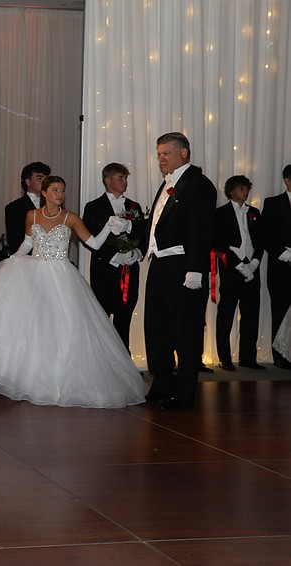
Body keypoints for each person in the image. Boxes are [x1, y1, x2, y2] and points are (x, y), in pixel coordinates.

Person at [0, 176, 146, 408]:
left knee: (62, 327)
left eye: (62, 190)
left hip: (61, 276)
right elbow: (28, 244)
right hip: (33, 272)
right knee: (29, 326)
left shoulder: (71, 218)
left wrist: (109, 228)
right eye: (55, 190)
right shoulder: (32, 215)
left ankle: (58, 380)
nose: (60, 194)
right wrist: (14, 259)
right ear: (45, 193)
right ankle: (25, 378)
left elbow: (95, 244)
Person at [142, 132, 216, 410]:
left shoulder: (199, 185)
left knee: (185, 330)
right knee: (157, 326)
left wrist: (195, 270)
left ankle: (184, 392)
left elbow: (201, 230)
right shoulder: (167, 184)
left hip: (183, 267)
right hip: (160, 265)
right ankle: (161, 383)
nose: (161, 158)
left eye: (166, 153)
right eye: (159, 153)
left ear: (184, 153)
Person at [81, 163, 145, 350]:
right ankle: (102, 361)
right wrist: (115, 257)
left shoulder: (134, 206)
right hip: (104, 271)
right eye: (120, 178)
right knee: (101, 318)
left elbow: (142, 233)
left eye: (126, 178)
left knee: (124, 317)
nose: (124, 182)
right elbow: (89, 238)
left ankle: (124, 361)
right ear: (108, 180)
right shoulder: (93, 207)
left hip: (129, 271)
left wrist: (137, 252)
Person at [213, 175, 264, 371]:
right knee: (226, 313)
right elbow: (219, 243)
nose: (245, 191)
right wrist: (240, 265)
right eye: (241, 188)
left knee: (251, 313)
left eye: (247, 188)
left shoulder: (254, 212)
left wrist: (254, 263)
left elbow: (260, 240)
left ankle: (248, 357)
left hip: (253, 269)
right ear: (231, 191)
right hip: (232, 271)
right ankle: (224, 357)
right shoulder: (220, 214)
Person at [262, 164, 291, 370]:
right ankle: (280, 354)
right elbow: (264, 236)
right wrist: (284, 253)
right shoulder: (273, 203)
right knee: (280, 309)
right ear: (287, 180)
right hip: (281, 266)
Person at [4, 162, 50, 255]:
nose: (45, 182)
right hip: (27, 259)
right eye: (40, 178)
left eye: (47, 178)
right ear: (28, 181)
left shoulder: (53, 204)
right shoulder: (14, 207)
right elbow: (16, 240)